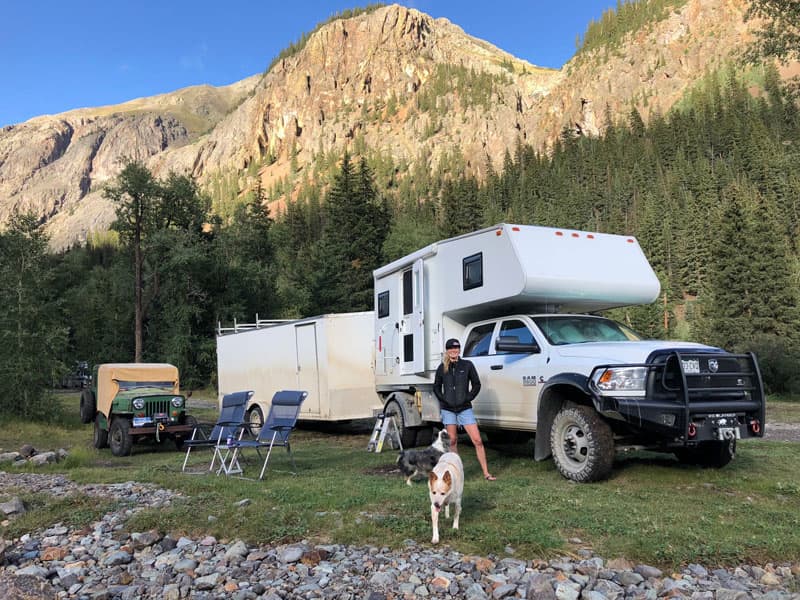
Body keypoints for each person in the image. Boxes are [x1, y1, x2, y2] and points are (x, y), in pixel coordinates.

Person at [432, 337, 496, 481]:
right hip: (448, 410)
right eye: (451, 348)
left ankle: (486, 473)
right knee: (453, 440)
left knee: (477, 440)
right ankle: (457, 473)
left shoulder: (467, 365)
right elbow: (436, 387)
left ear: (459, 350)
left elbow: (477, 384)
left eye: (456, 348)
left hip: (464, 408)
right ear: (447, 351)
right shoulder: (442, 367)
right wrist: (443, 400)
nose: (454, 350)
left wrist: (468, 398)